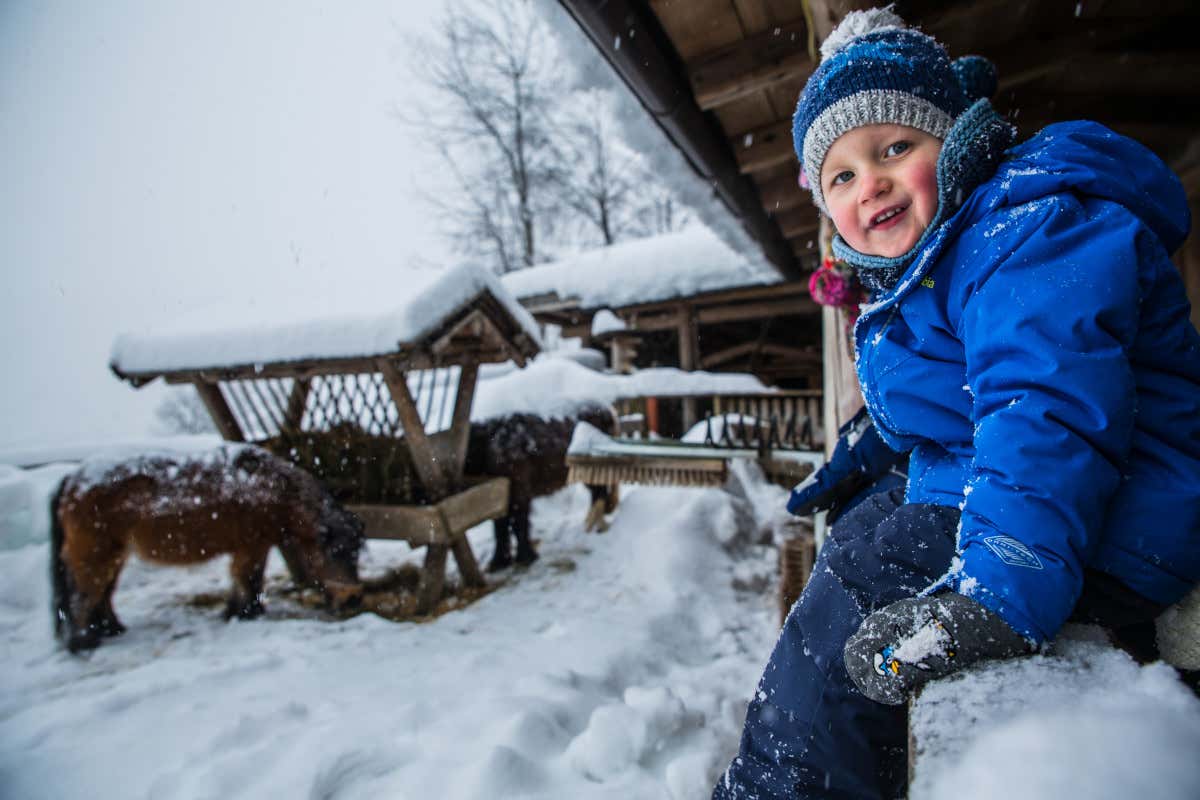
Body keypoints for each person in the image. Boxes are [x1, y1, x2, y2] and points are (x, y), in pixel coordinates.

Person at [713, 8, 1200, 799]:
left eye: (896, 148)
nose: (869, 181)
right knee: (865, 526)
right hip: (1036, 499)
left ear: (961, 141)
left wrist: (1002, 588)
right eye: (841, 174)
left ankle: (781, 788)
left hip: (1113, 520)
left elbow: (1042, 407)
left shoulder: (1023, 232)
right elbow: (951, 400)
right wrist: (862, 453)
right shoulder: (944, 261)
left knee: (859, 587)